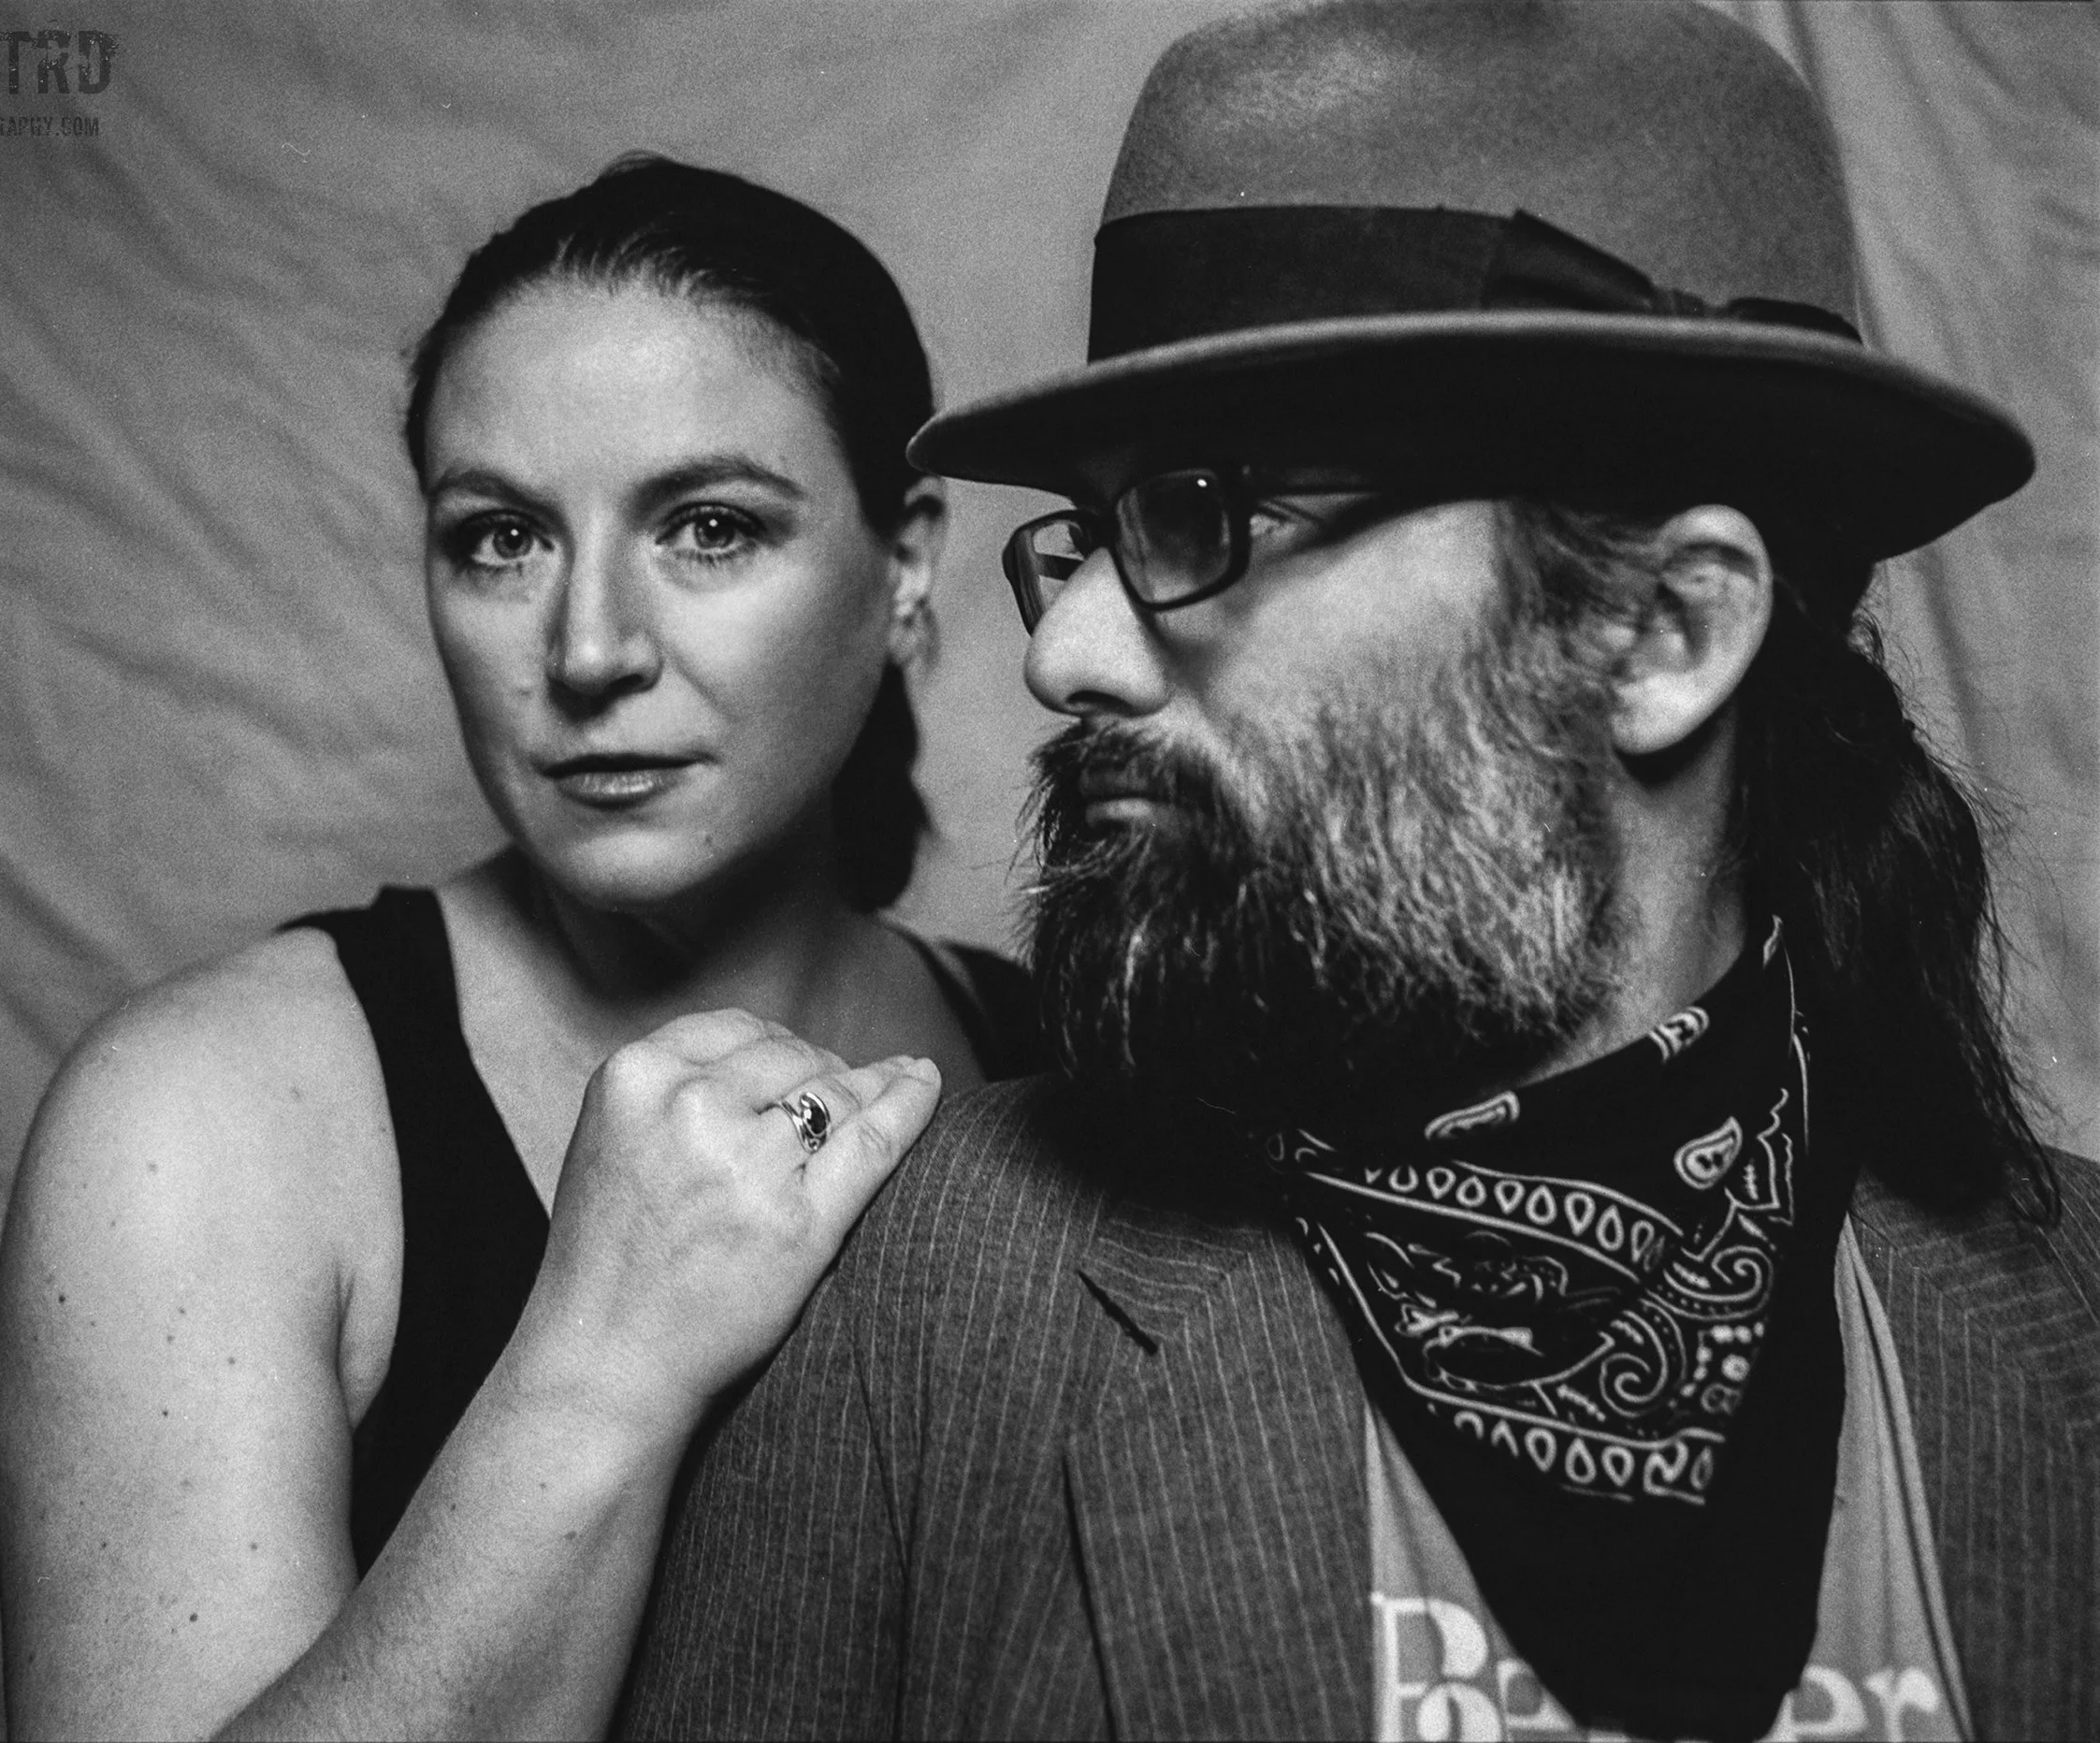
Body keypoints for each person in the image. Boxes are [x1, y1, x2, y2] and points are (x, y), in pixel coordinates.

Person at [622, 6, 2098, 1740]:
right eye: (1083, 537)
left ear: (1661, 631)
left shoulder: (2069, 1320)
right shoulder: (918, 1303)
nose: (1063, 653)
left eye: (1201, 512)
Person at [0, 155, 1039, 1739]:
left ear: (903, 567)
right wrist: (605, 1356)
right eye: (501, 539)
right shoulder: (201, 1120)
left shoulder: (1072, 1066)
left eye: (708, 526)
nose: (591, 648)